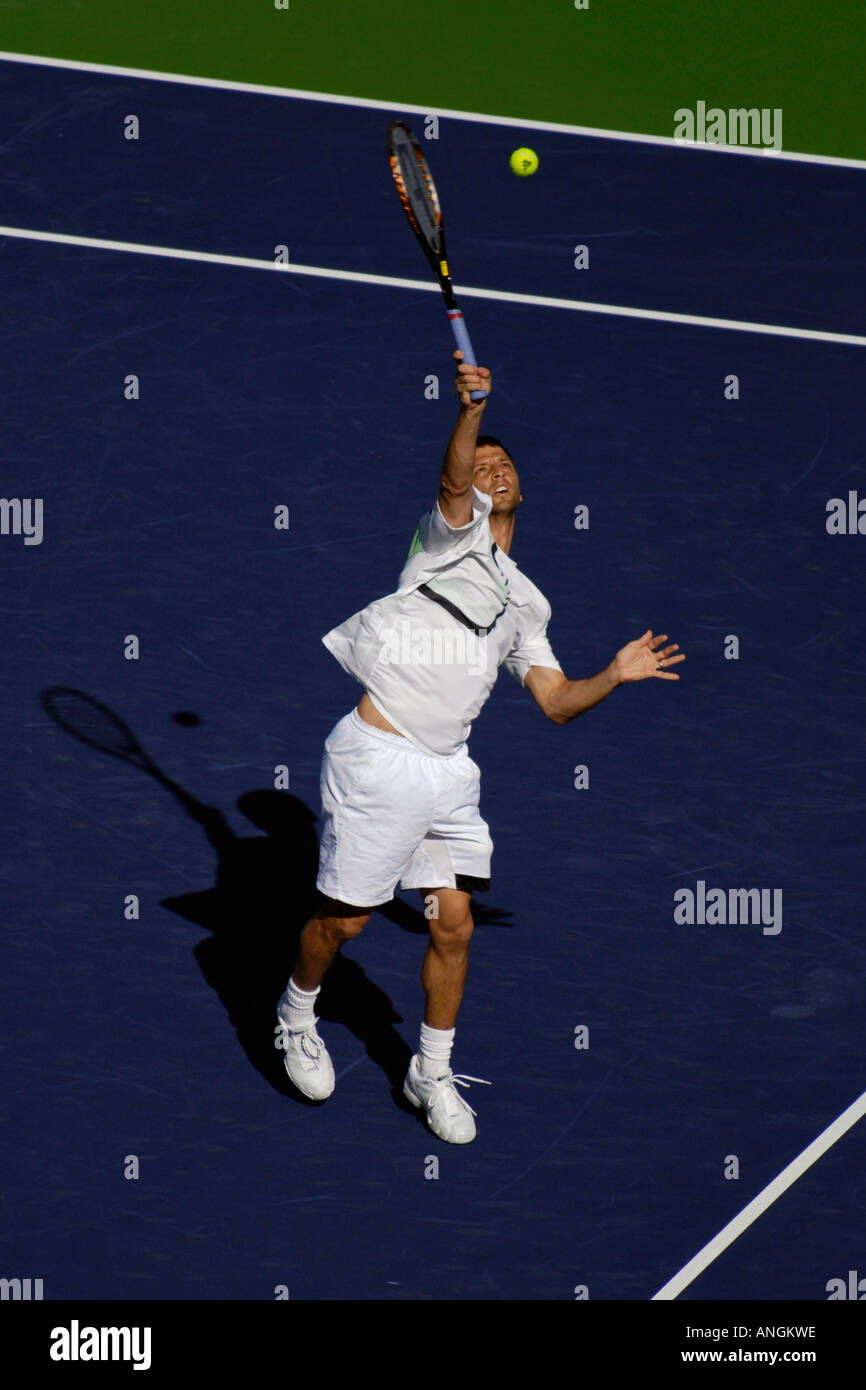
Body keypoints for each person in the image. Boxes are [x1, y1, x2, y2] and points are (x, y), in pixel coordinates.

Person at [276, 351, 684, 1143]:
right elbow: (451, 482)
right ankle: (295, 1015)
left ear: (523, 492)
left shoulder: (528, 602)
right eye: (483, 462)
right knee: (346, 923)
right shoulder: (447, 540)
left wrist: (613, 673)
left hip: (448, 774)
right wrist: (469, 413)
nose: (491, 469)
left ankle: (428, 1070)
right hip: (379, 757)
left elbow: (557, 704)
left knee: (454, 925)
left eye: (505, 464)